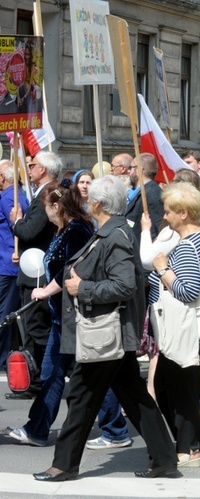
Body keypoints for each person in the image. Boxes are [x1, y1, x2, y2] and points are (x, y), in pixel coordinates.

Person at [33, 176, 176, 481]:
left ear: (98, 203)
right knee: (134, 396)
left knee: (81, 395)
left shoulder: (115, 235)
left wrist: (83, 288)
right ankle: (164, 458)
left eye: (90, 200)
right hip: (112, 335)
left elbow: (124, 285)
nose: (86, 203)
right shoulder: (112, 231)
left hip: (106, 334)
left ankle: (64, 465)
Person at [6, 180, 94, 447]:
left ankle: (115, 428)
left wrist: (45, 291)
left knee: (94, 377)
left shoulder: (77, 230)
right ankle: (37, 429)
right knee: (52, 373)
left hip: (74, 315)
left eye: (46, 208)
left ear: (57, 206)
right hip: (61, 317)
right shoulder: (63, 229)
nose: (45, 214)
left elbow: (70, 268)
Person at [149, 183, 200, 467]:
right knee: (178, 386)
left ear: (183, 214)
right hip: (186, 327)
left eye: (169, 212)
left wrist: (162, 269)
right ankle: (193, 444)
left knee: (174, 389)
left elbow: (188, 291)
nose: (165, 217)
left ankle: (188, 449)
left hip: (180, 326)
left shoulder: (188, 245)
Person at [9, 151, 59, 399]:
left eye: (33, 165)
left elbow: (30, 231)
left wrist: (17, 222)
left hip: (38, 276)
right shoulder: (43, 193)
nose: (28, 169)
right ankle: (33, 380)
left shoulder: (49, 194)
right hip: (31, 272)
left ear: (44, 169)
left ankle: (48, 377)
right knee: (29, 328)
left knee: (38, 328)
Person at [0, 161, 28, 370]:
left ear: (3, 177)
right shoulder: (15, 193)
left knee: (4, 314)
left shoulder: (11, 197)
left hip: (7, 264)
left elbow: (17, 224)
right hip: (7, 263)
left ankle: (2, 358)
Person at [124, 152, 164, 243]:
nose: (129, 171)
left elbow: (155, 229)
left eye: (131, 167)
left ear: (140, 169)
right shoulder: (139, 192)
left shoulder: (152, 193)